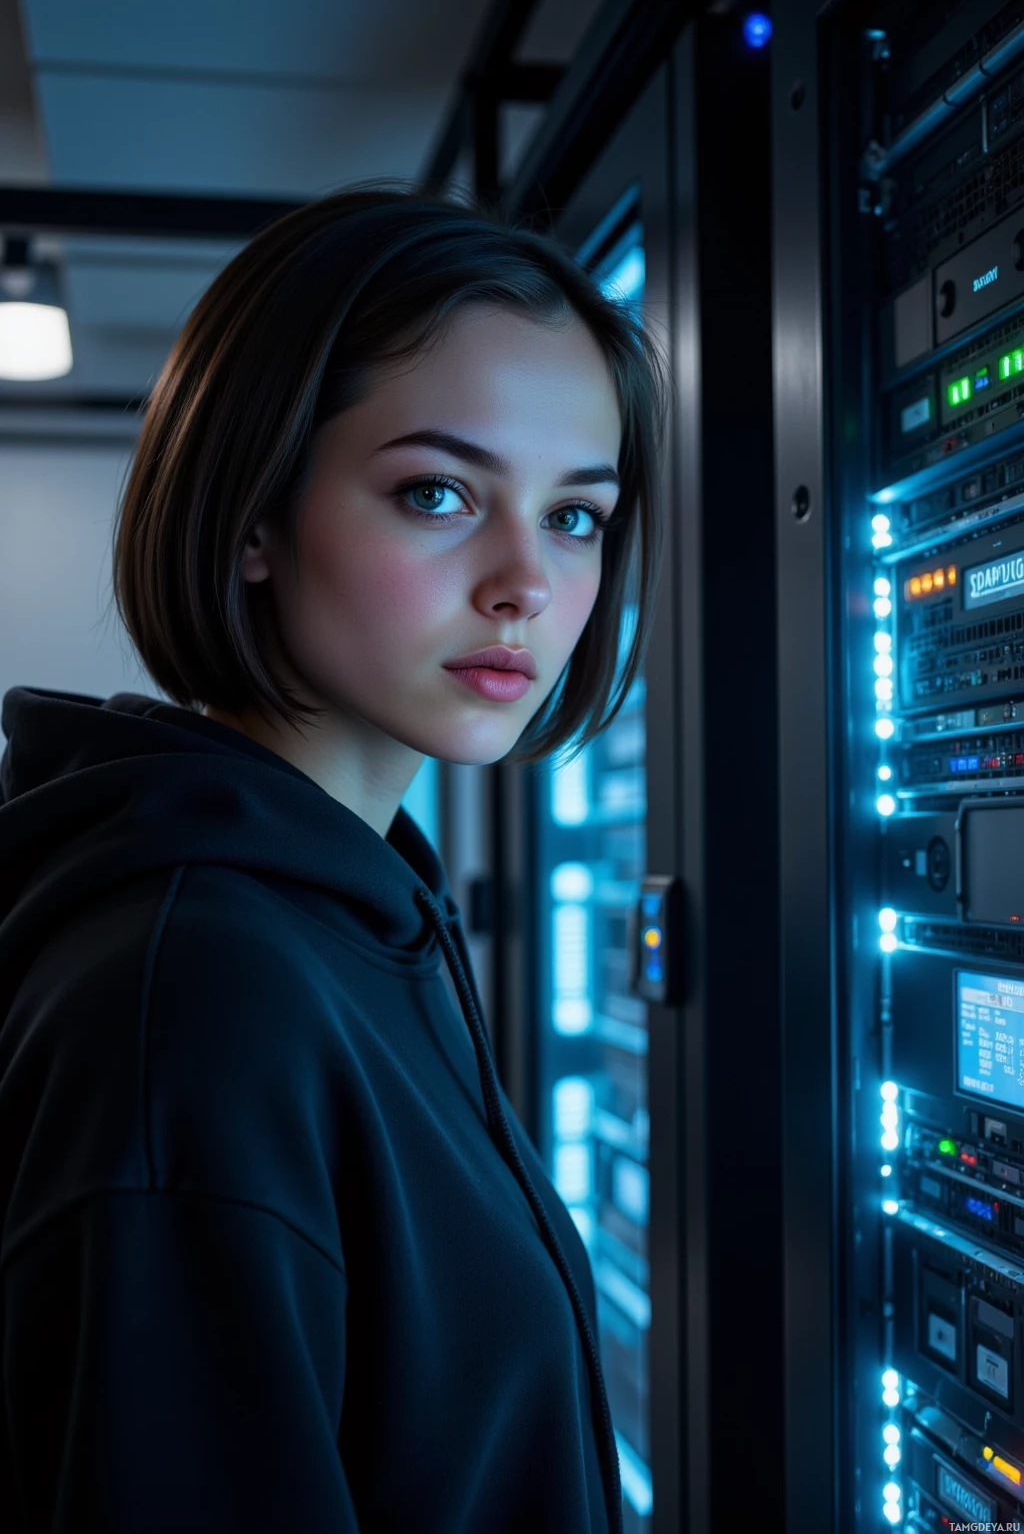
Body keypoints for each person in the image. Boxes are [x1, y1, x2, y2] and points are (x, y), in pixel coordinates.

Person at [0, 183, 667, 1533]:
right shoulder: (203, 995)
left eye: (575, 516)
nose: (527, 584)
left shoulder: (359, 912)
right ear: (253, 515)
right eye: (438, 493)